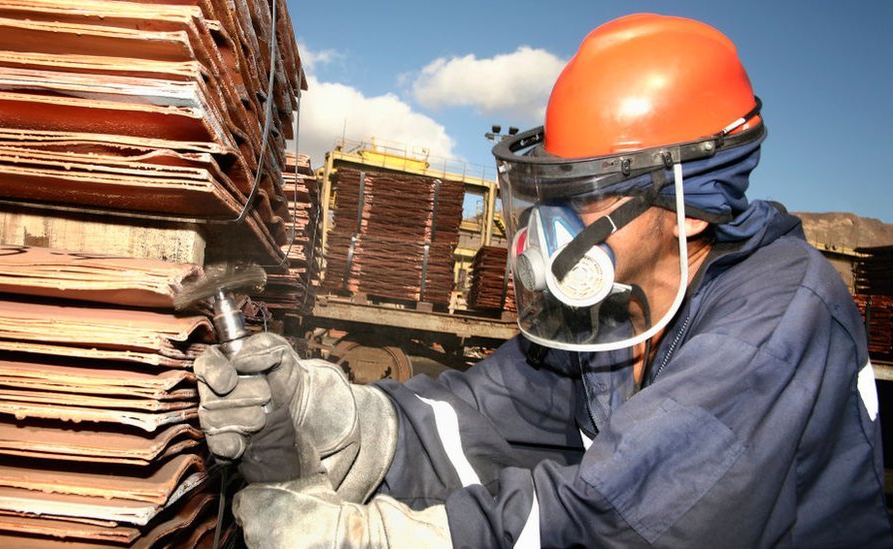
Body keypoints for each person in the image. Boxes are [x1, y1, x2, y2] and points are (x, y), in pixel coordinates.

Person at [193, 13, 893, 548]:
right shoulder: (624, 310)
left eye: (584, 197)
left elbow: (612, 522)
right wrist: (335, 414)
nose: (556, 227)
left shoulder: (771, 328)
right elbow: (476, 422)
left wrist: (368, 537)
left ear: (685, 211)